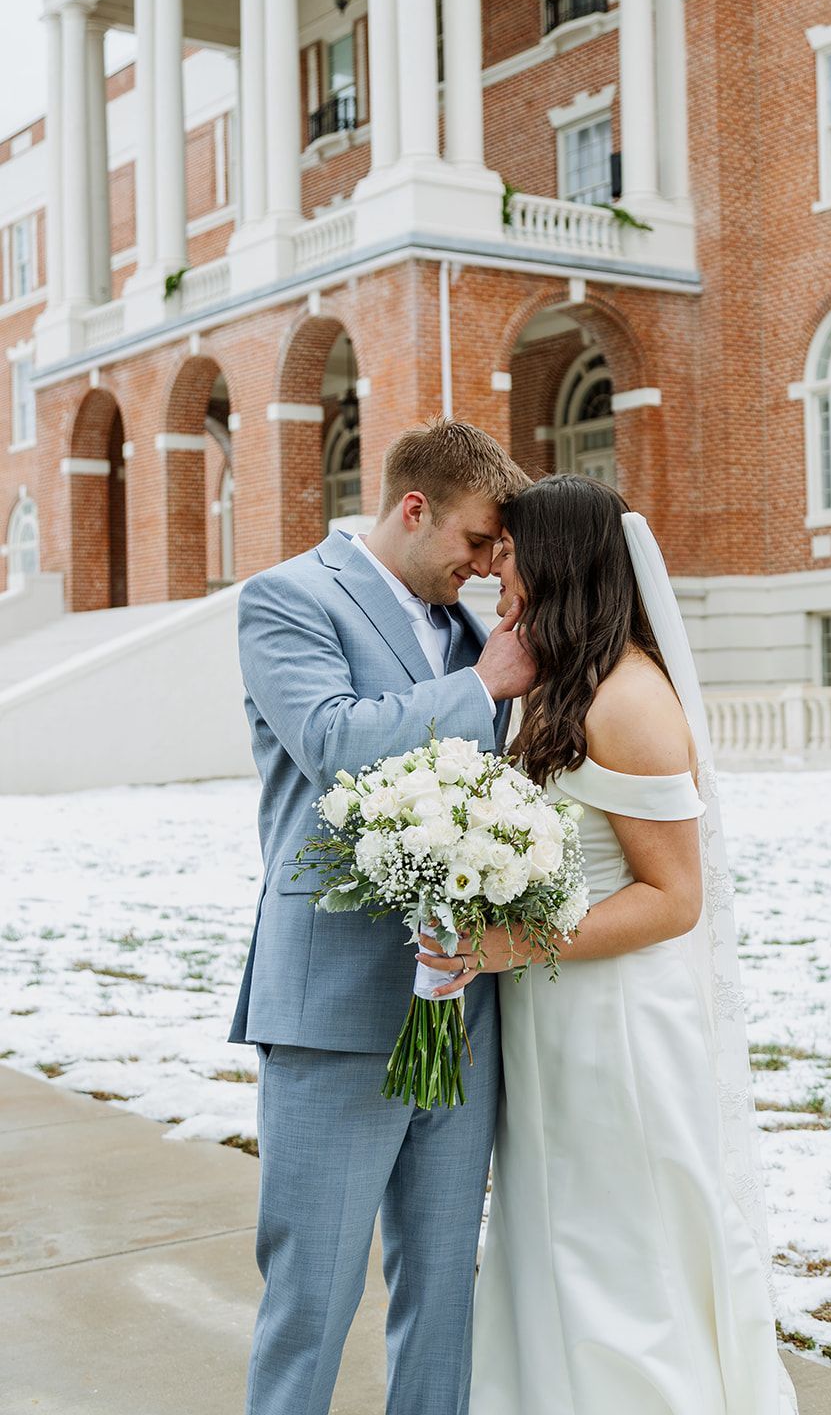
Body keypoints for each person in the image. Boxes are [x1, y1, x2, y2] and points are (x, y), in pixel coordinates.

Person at [418, 473, 800, 1415]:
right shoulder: (554, 686)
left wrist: (505, 946)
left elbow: (673, 900)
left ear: (556, 562)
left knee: (619, 1258)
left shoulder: (628, 699)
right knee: (557, 1243)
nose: (490, 576)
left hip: (618, 1027)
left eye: (503, 557)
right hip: (553, 1017)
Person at [230, 419, 534, 1415]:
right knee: (313, 1297)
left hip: (458, 1008)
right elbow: (329, 741)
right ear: (415, 509)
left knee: (442, 1292)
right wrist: (483, 685)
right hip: (334, 1004)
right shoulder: (288, 598)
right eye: (478, 542)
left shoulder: (465, 628)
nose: (488, 567)